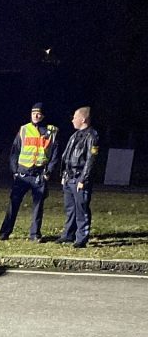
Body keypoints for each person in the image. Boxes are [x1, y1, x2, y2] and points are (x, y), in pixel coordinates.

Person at [0, 103, 59, 242]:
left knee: (38, 207)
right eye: (33, 113)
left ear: (43, 115)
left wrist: (48, 171)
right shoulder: (24, 130)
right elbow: (14, 152)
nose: (36, 116)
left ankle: (35, 234)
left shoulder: (51, 132)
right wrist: (14, 171)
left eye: (38, 113)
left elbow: (54, 154)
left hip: (39, 174)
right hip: (23, 174)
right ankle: (4, 232)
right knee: (13, 204)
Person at [56, 106, 99, 248]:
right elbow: (67, 156)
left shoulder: (92, 136)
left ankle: (82, 237)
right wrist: (64, 174)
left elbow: (91, 160)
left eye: (75, 117)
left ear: (83, 119)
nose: (72, 120)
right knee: (70, 208)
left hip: (79, 178)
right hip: (69, 177)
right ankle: (68, 234)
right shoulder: (74, 136)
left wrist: (83, 179)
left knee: (81, 209)